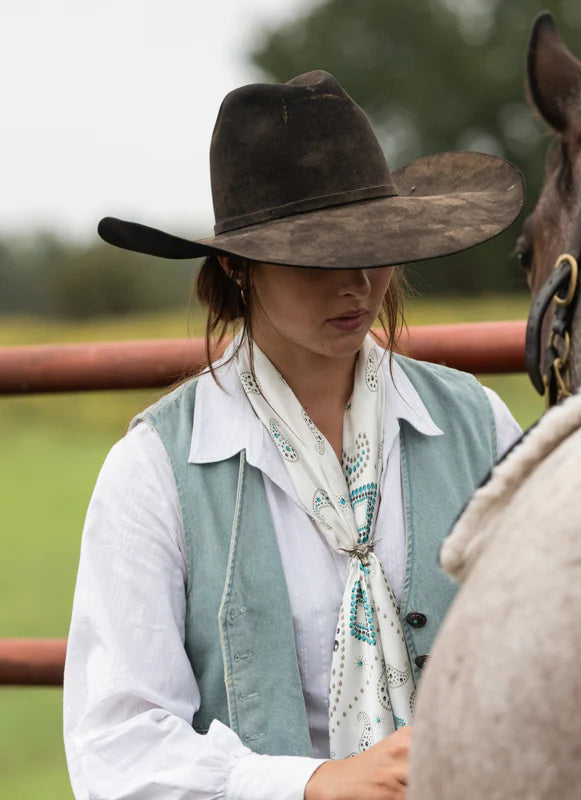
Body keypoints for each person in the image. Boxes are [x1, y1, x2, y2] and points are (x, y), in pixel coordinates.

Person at [63, 71, 523, 800]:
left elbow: (553, 641)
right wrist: (310, 784)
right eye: (318, 255)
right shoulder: (155, 472)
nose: (357, 283)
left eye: (374, 246)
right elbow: (118, 745)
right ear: (235, 265)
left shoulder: (477, 425)